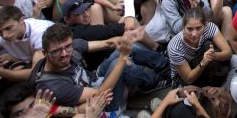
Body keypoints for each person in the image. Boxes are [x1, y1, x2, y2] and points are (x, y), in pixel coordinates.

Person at [28, 24, 169, 112]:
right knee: (119, 64)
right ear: (45, 53)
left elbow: (107, 44)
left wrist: (126, 39)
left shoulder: (72, 46)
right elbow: (100, 95)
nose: (65, 54)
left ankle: (166, 65)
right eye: (57, 51)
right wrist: (122, 59)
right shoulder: (53, 86)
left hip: (95, 77)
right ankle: (154, 82)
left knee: (126, 49)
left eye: (67, 47)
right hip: (101, 106)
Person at [167, 7, 232, 87]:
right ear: (183, 27)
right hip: (185, 75)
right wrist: (203, 62)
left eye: (198, 28)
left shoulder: (210, 28)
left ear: (204, 25)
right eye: (189, 29)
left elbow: (228, 52)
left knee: (236, 61)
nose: (194, 34)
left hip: (207, 64)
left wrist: (214, 55)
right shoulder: (175, 47)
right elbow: (188, 78)